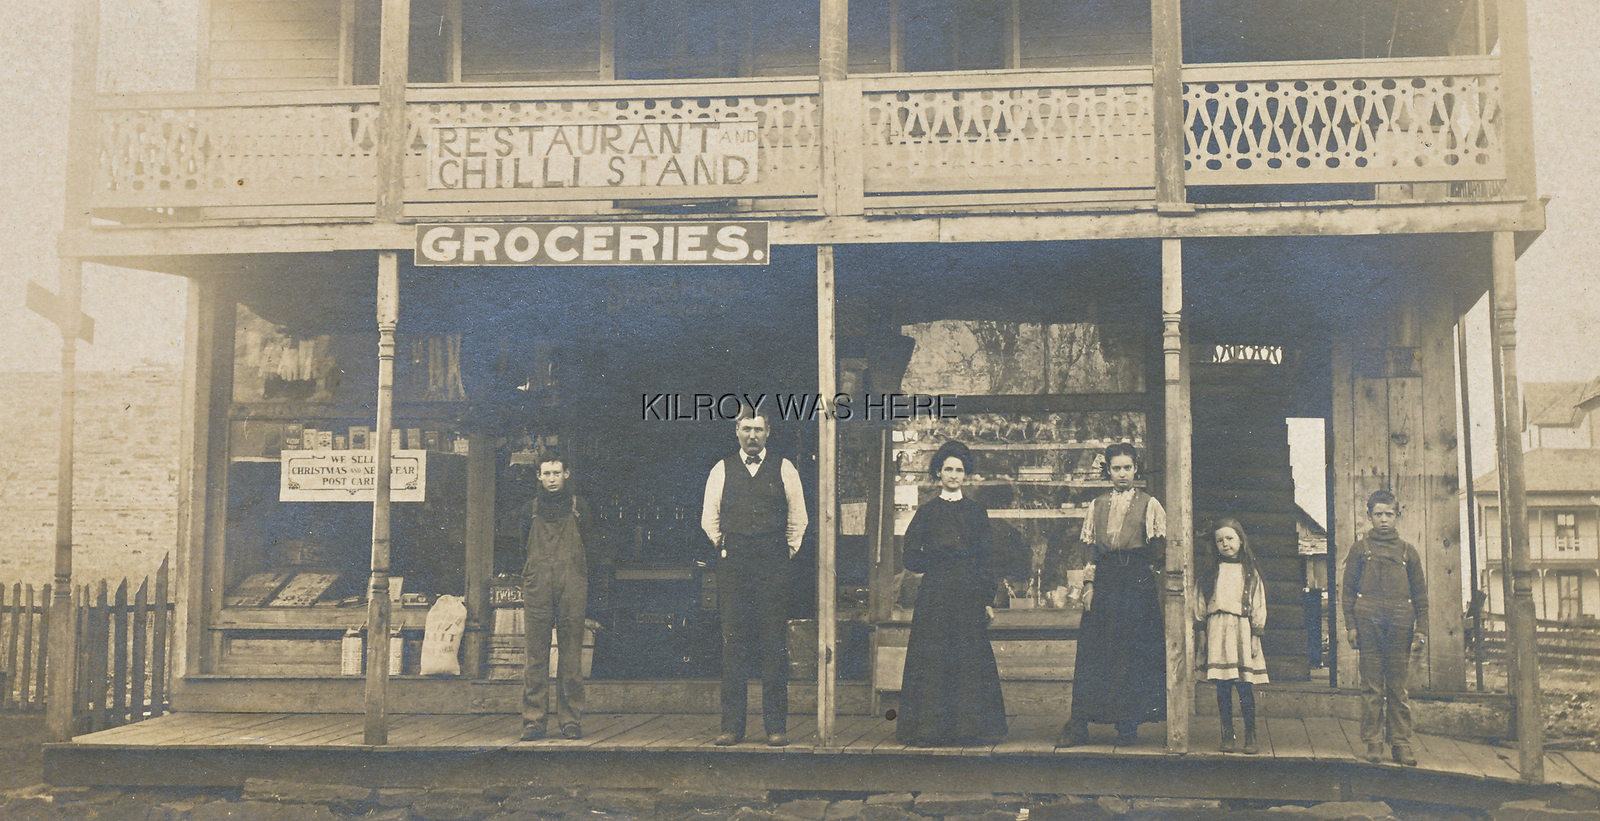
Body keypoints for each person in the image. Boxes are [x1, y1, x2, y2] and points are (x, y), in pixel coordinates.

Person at [701, 407, 808, 747]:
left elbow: (798, 520)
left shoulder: (784, 468)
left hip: (772, 566)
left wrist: (779, 551)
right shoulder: (722, 469)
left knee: (773, 644)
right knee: (733, 644)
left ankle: (776, 727)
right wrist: (729, 545)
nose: (752, 436)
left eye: (758, 430)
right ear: (736, 432)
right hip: (734, 565)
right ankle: (732, 727)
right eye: (746, 429)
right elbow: (709, 519)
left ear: (768, 433)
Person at [895, 440, 1007, 746]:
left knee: (967, 656)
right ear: (938, 473)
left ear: (966, 474)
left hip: (969, 591)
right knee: (934, 657)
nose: (954, 475)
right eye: (948, 469)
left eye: (959, 470)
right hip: (936, 592)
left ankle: (967, 729)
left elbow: (986, 557)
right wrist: (933, 562)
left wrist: (987, 599)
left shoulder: (976, 511)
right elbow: (909, 553)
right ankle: (930, 729)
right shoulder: (928, 511)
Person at [1060, 442, 1167, 747]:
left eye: (1127, 468)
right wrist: (1089, 586)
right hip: (1106, 582)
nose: (1122, 474)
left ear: (1136, 469)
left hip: (1136, 584)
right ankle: (1080, 724)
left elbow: (1159, 552)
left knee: (1132, 654)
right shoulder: (1097, 505)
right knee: (1096, 653)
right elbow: (1090, 551)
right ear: (1108, 470)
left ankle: (1128, 724)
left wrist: (1149, 579)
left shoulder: (1150, 504)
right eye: (1116, 468)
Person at [509, 451, 605, 742]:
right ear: (538, 476)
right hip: (538, 584)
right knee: (536, 655)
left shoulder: (580, 508)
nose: (551, 479)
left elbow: (591, 547)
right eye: (546, 474)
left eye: (556, 473)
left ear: (566, 475)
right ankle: (534, 721)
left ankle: (571, 720)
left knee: (571, 654)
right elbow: (520, 547)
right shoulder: (530, 510)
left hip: (572, 583)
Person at [1342, 489, 1428, 766]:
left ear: (1397, 516)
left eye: (1389, 514)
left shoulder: (1407, 552)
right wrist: (1351, 627)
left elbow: (1421, 597)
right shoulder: (1360, 550)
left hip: (1400, 623)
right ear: (1369, 516)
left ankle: (1401, 744)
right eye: (1377, 514)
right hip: (1368, 623)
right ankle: (1374, 742)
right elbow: (1347, 592)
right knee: (1371, 686)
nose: (1383, 520)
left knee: (1398, 687)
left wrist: (1421, 631)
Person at [1195, 518, 1269, 754]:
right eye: (1220, 540)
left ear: (1240, 540)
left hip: (1242, 631)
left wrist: (1256, 635)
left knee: (1245, 686)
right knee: (1223, 687)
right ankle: (1227, 734)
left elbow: (1259, 604)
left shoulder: (1250, 572)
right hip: (1217, 629)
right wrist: (1203, 635)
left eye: (1230, 538)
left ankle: (1251, 735)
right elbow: (1199, 603)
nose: (1225, 544)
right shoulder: (1209, 572)